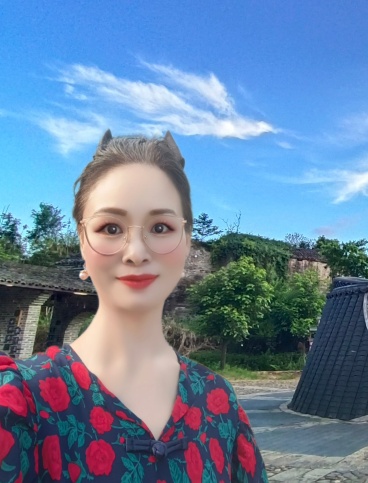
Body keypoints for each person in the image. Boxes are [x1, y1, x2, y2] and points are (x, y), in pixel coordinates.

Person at [0, 130, 269, 482]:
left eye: (161, 227)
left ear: (187, 242)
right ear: (82, 242)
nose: (136, 252)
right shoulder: (20, 402)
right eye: (111, 228)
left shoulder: (219, 402)